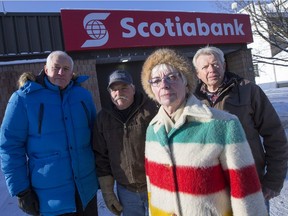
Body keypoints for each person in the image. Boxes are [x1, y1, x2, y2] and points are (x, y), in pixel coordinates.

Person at [141, 48, 267, 215]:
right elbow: (152, 188)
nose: (164, 85)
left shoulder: (224, 124)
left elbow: (246, 191)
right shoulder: (153, 129)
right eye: (156, 80)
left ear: (186, 82)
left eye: (172, 77)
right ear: (151, 89)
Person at [0, 51, 99, 216]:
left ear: (72, 72)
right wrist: (21, 190)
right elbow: (10, 146)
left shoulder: (83, 96)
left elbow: (96, 137)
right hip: (49, 197)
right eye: (56, 67)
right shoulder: (23, 99)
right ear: (46, 69)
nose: (61, 72)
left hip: (85, 191)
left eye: (66, 68)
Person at [192, 45, 288, 211]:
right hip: (211, 190)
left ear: (224, 65)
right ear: (197, 73)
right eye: (205, 67)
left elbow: (275, 136)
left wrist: (273, 181)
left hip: (250, 184)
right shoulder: (191, 100)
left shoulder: (248, 90)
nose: (211, 70)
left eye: (216, 64)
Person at [94, 70, 158, 216]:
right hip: (126, 191)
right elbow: (101, 157)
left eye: (124, 88)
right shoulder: (103, 119)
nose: (119, 93)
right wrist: (107, 191)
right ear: (109, 92)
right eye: (114, 89)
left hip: (154, 187)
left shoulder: (152, 111)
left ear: (133, 89)